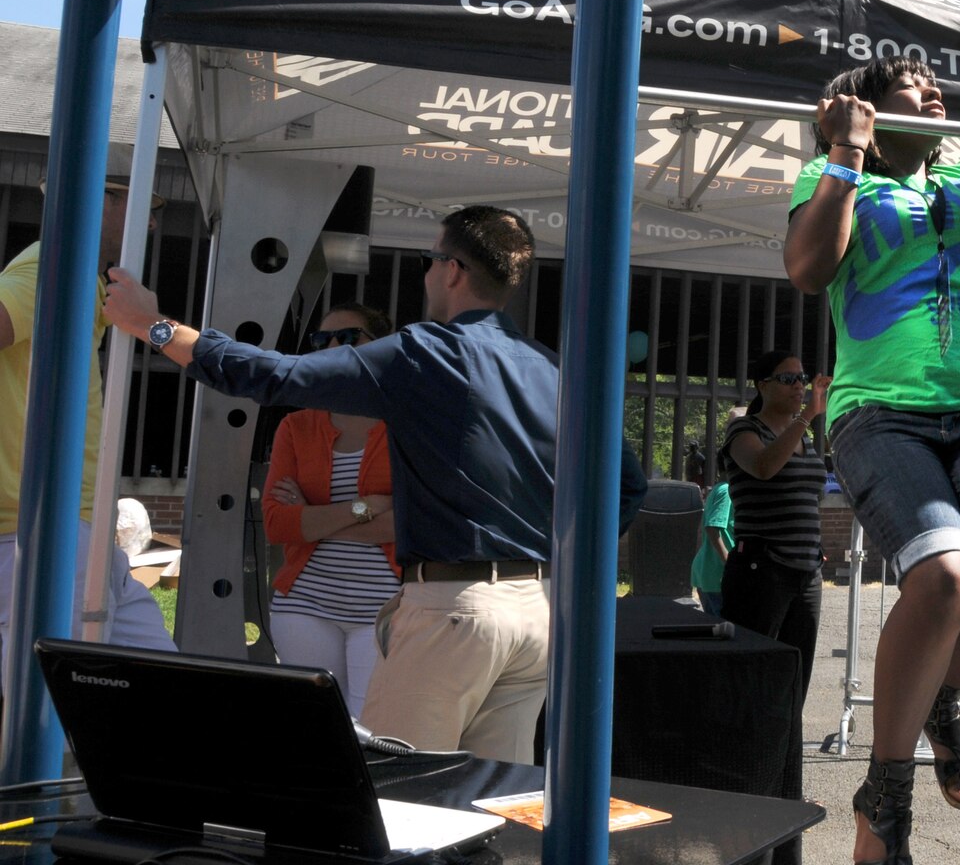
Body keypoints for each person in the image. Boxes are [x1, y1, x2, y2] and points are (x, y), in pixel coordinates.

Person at [105, 205, 557, 761]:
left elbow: (273, 375)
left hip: (453, 608)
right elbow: (625, 490)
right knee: (491, 798)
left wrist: (153, 326)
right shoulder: (550, 369)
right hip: (537, 609)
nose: (426, 274)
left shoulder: (426, 355)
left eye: (428, 260)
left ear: (453, 270)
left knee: (398, 792)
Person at [783, 56, 960, 865]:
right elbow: (808, 271)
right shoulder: (833, 174)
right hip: (879, 411)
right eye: (914, 85)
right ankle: (887, 790)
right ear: (864, 109)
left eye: (938, 82)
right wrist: (845, 153)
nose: (935, 92)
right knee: (942, 574)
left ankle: (938, 700)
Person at [0, 164, 174, 685]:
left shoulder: (86, 278)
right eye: (141, 205)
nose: (149, 224)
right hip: (39, 527)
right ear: (98, 199)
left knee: (169, 684)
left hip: (77, 527)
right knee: (45, 702)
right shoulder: (55, 266)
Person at [262, 303, 400, 717]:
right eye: (322, 340)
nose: (334, 346)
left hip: (384, 610)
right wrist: (364, 508)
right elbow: (277, 523)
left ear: (383, 345)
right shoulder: (297, 426)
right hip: (303, 605)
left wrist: (315, 520)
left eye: (348, 336)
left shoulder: (406, 424)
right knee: (314, 729)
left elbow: (409, 524)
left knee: (369, 732)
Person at [720, 350, 831, 703]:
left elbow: (810, 498)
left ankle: (786, 757)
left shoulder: (805, 441)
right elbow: (764, 466)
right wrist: (808, 415)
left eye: (801, 377)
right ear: (762, 385)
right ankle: (747, 756)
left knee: (795, 683)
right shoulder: (744, 429)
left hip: (806, 573)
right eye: (787, 379)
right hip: (762, 570)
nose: (799, 385)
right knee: (753, 679)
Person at [690, 469, 733, 618]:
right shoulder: (727, 490)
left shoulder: (719, 489)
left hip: (709, 572)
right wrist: (729, 565)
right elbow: (712, 527)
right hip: (718, 575)